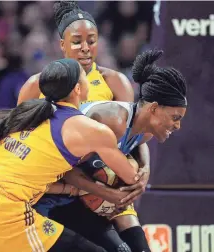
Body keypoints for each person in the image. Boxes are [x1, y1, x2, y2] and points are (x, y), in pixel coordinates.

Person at [0, 58, 139, 252]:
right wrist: (140, 171)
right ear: (78, 88)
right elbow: (130, 178)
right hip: (1, 208)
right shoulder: (88, 128)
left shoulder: (29, 111)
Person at [31, 50, 187, 252]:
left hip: (82, 193)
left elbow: (139, 144)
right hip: (50, 195)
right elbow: (66, 170)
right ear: (154, 109)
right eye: (175, 118)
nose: (178, 126)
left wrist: (145, 170)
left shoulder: (144, 131)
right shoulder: (111, 122)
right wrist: (106, 193)